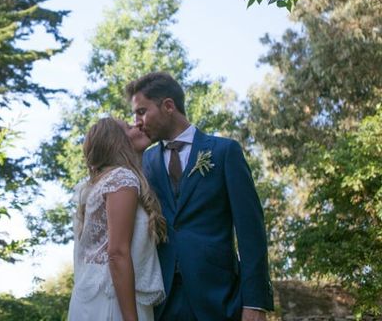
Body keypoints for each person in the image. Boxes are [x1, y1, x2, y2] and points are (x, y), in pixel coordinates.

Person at [126, 72, 274, 321]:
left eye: (142, 111)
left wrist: (255, 302)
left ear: (168, 106)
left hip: (219, 297)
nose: (137, 121)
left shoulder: (224, 152)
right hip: (161, 301)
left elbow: (251, 231)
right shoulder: (146, 161)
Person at [68, 117, 166, 321]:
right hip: (116, 299)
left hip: (94, 297)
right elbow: (117, 252)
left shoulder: (94, 186)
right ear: (116, 141)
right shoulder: (122, 179)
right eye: (129, 127)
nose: (138, 125)